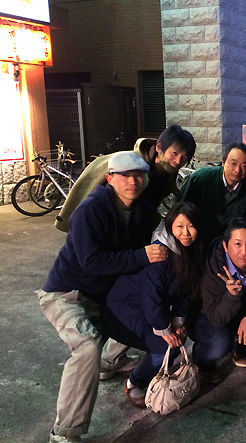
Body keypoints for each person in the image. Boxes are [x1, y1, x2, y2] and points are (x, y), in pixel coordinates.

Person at [38, 152, 167, 443]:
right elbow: (91, 262)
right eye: (125, 176)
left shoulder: (144, 211)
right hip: (67, 293)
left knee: (149, 314)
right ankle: (64, 432)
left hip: (104, 294)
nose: (133, 182)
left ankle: (110, 362)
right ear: (110, 178)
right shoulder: (90, 210)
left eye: (139, 176)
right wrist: (141, 255)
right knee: (87, 346)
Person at [102, 202, 202, 408]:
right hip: (126, 307)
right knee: (167, 347)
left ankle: (131, 366)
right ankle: (134, 383)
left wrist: (179, 323)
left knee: (175, 343)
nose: (186, 233)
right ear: (170, 226)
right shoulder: (161, 253)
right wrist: (164, 329)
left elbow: (186, 291)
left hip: (149, 308)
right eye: (179, 226)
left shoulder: (191, 251)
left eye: (191, 226)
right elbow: (152, 296)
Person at [55, 124, 196, 233]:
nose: (177, 161)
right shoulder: (130, 166)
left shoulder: (167, 173)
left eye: (184, 157)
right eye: (174, 153)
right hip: (106, 228)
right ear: (158, 147)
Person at [190, 217, 246, 382]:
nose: (244, 252)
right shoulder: (213, 267)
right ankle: (202, 362)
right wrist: (232, 296)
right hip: (211, 315)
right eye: (237, 244)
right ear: (225, 245)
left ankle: (245, 353)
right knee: (219, 343)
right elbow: (217, 318)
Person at [179, 142, 246, 252]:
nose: (237, 170)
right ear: (223, 162)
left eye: (243, 166)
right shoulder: (200, 178)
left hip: (228, 248)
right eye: (233, 163)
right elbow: (178, 209)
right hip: (196, 242)